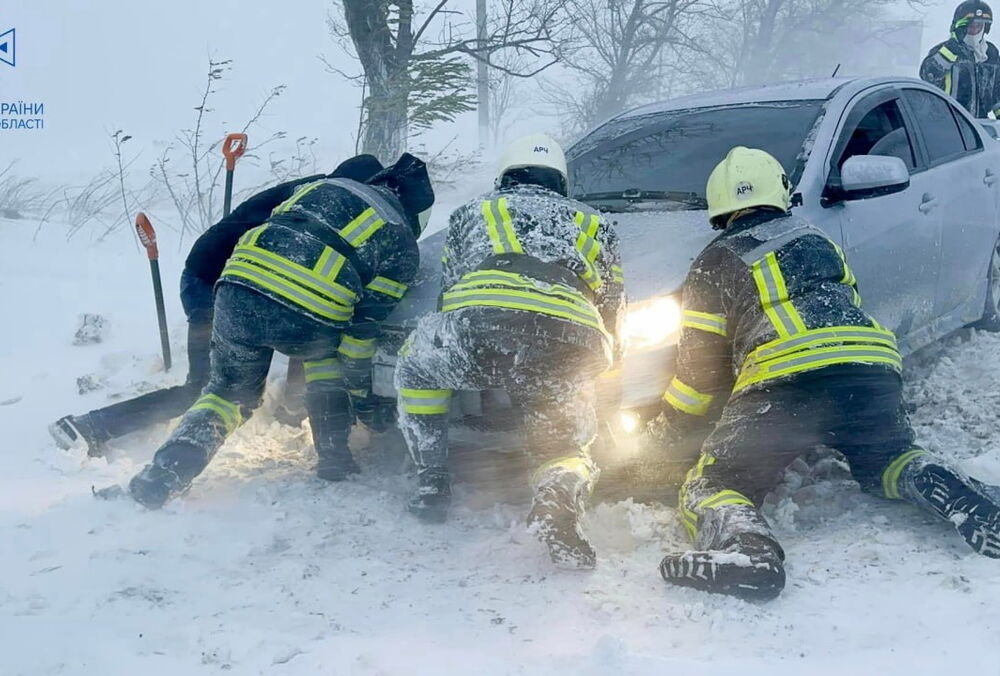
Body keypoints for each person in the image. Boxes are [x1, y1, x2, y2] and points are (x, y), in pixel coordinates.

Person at [656, 146, 1000, 601]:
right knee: (889, 460)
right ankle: (952, 491)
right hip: (871, 368)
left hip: (785, 381)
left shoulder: (714, 262)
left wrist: (667, 433)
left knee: (715, 484)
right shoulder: (817, 240)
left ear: (719, 205)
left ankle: (749, 553)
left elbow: (699, 378)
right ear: (779, 192)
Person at [127, 153, 434, 509]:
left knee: (227, 394)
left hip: (234, 293)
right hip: (306, 315)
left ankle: (167, 472)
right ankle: (334, 458)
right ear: (416, 215)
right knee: (325, 358)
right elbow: (360, 336)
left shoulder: (319, 188)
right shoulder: (400, 241)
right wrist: (363, 400)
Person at [48, 155, 385, 456]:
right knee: (205, 388)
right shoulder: (322, 204)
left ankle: (290, 409)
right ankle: (89, 426)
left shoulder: (318, 195)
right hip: (213, 285)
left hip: (241, 283)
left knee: (308, 321)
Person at [393, 134, 626, 569]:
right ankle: (558, 497)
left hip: (483, 325)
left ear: (504, 176)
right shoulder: (596, 222)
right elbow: (613, 307)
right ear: (560, 181)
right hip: (569, 337)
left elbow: (451, 291)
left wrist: (471, 350)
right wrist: (601, 373)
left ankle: (433, 481)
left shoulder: (474, 211)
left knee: (416, 368)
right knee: (566, 444)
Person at [920, 0, 1000, 118]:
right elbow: (927, 75)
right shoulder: (944, 51)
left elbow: (997, 91)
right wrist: (950, 51)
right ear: (959, 27)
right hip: (948, 122)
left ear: (985, 28)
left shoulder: (990, 53)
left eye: (978, 26)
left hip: (980, 126)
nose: (974, 30)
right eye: (970, 26)